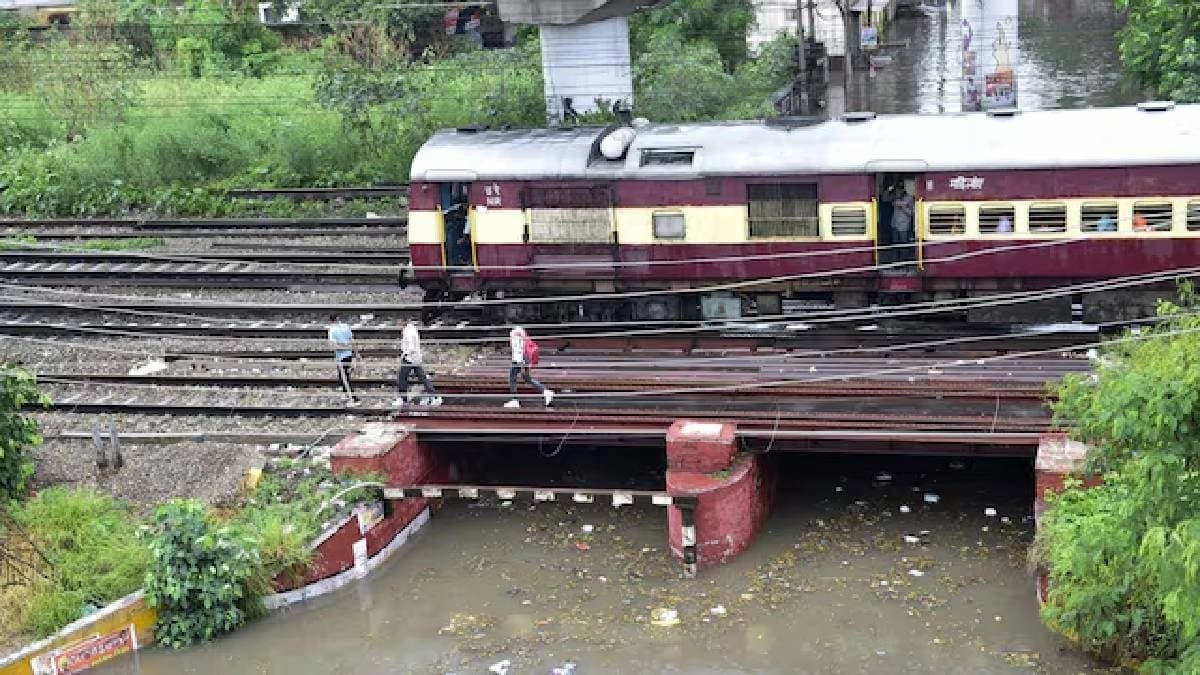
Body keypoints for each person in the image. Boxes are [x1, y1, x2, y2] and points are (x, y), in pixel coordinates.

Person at [395, 319, 442, 407]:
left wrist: (404, 354)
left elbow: (411, 347)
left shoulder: (407, 332)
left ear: (403, 322)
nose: (397, 324)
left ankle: (402, 399)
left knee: (402, 378)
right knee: (423, 378)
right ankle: (434, 396)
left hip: (409, 359)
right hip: (416, 358)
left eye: (399, 322)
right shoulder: (412, 328)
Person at [505, 326, 553, 408]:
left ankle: (514, 400)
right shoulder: (520, 330)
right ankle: (546, 392)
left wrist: (521, 363)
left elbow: (518, 349)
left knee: (512, 379)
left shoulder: (514, 332)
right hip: (524, 359)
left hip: (519, 360)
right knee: (527, 378)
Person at [327, 315, 359, 406]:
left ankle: (354, 399)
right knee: (344, 376)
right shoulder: (346, 326)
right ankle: (346, 394)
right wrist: (356, 354)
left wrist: (342, 347)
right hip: (349, 355)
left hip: (341, 357)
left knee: (344, 378)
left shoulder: (332, 329)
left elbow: (332, 346)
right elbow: (352, 341)